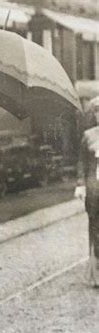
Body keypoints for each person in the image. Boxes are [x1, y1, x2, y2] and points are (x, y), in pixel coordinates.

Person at [75, 96, 99, 287]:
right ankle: (96, 272)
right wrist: (81, 184)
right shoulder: (89, 135)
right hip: (95, 190)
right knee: (95, 228)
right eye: (97, 112)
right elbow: (82, 162)